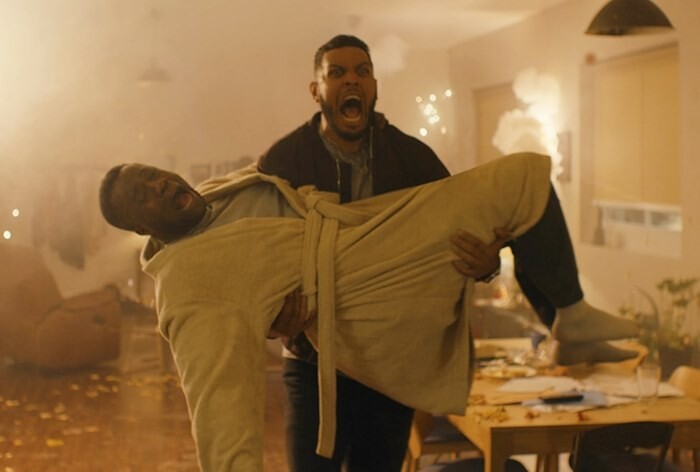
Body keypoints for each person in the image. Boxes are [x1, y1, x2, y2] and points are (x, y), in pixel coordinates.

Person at [98, 152, 640, 471]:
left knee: (522, 178)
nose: (161, 183)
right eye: (144, 194)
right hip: (345, 308)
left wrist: (486, 267)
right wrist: (273, 320)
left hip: (379, 229)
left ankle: (569, 313)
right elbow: (218, 402)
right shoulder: (190, 284)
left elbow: (478, 232)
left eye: (155, 173)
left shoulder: (399, 151)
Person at [256, 33, 505, 472]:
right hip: (313, 362)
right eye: (337, 73)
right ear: (316, 90)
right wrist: (273, 320)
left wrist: (487, 265)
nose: (351, 80)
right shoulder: (283, 162)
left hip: (392, 363)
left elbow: (459, 231)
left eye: (362, 71)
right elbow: (255, 257)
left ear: (374, 87)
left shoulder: (414, 160)